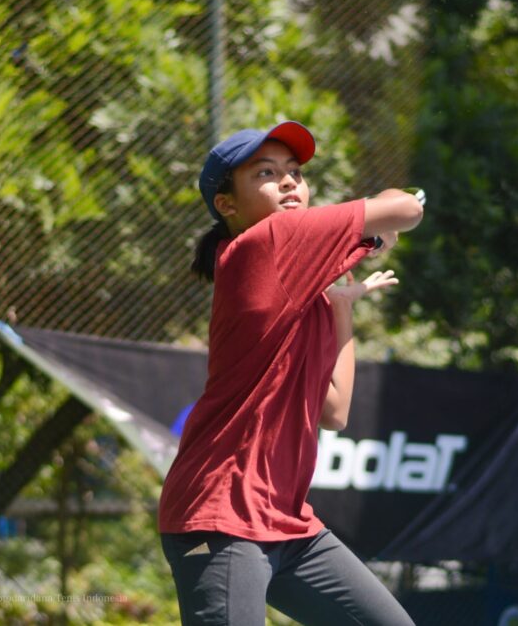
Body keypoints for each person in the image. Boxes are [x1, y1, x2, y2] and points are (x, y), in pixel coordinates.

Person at [158, 120, 423, 625]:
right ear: (227, 206)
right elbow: (406, 209)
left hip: (287, 525)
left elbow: (335, 410)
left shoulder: (301, 290)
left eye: (295, 172)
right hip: (223, 515)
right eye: (266, 172)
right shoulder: (271, 240)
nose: (287, 182)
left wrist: (342, 308)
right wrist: (394, 199)